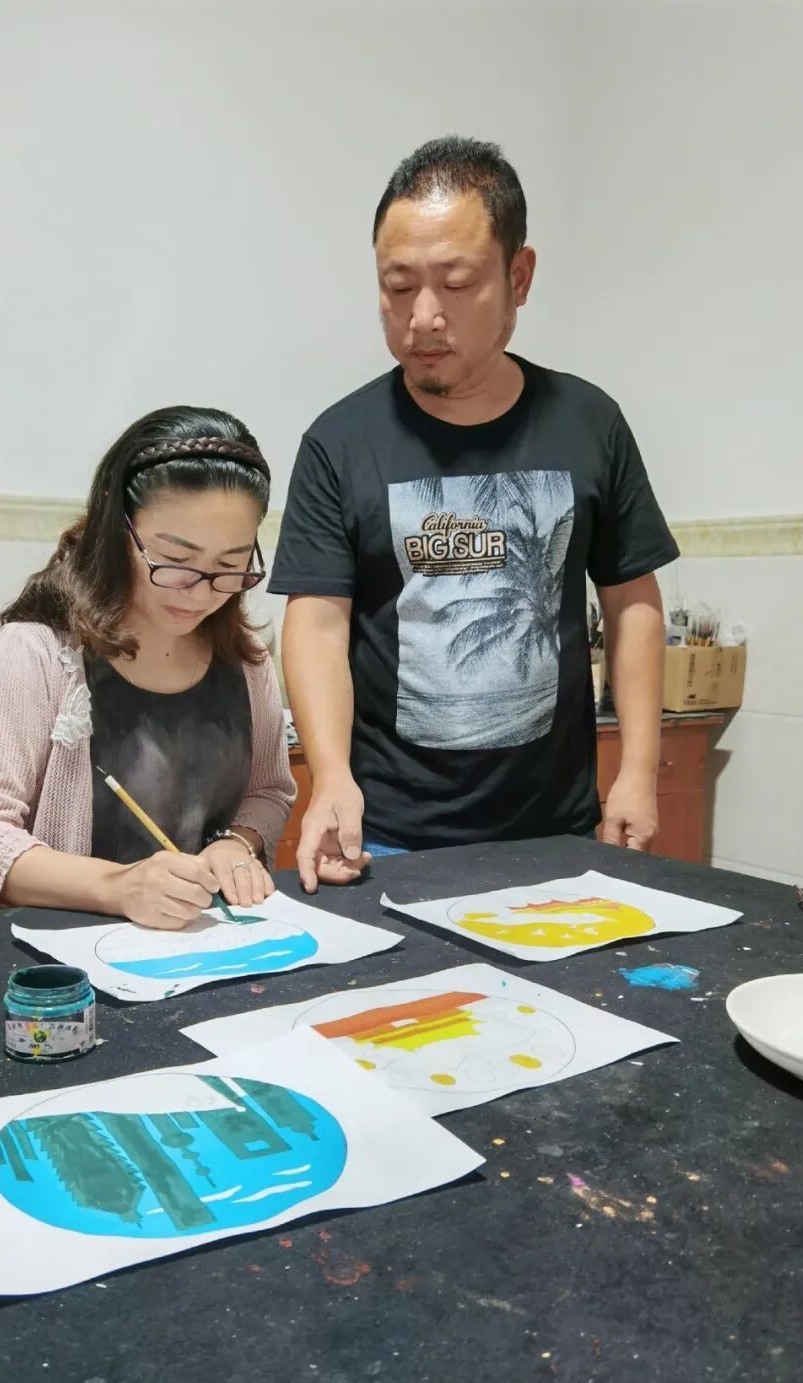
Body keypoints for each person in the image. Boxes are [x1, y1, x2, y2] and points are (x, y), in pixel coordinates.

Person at [270, 136, 679, 892]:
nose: (423, 317)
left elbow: (632, 602)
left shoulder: (589, 422)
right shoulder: (339, 441)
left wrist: (637, 771)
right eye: (398, 287)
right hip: (387, 838)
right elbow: (318, 620)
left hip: (559, 831)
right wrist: (329, 775)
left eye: (456, 284)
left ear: (518, 277)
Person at [0, 406, 294, 930]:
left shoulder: (245, 659)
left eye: (229, 566)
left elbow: (269, 791)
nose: (200, 594)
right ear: (117, 525)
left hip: (209, 946)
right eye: (175, 561)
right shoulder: (40, 651)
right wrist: (118, 887)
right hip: (71, 955)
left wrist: (236, 844)